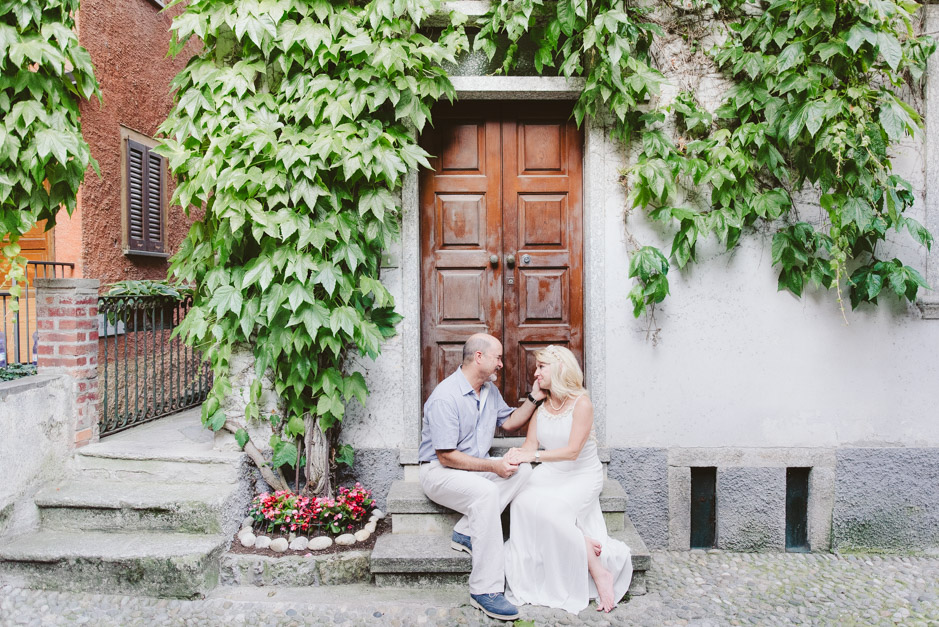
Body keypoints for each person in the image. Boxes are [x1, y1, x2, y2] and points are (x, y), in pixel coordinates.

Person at [418, 333, 545, 621]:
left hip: (475, 466)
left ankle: (465, 530)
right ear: (479, 357)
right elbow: (446, 456)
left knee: (523, 469)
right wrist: (494, 468)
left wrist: (535, 398)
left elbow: (510, 422)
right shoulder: (445, 397)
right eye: (498, 357)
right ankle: (484, 589)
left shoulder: (488, 391)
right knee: (486, 494)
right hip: (439, 472)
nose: (501, 364)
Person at [503, 345, 632, 614]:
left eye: (541, 367)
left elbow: (572, 452)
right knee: (521, 502)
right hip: (551, 471)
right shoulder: (542, 405)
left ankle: (599, 571)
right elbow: (530, 445)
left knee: (553, 510)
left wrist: (534, 457)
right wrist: (516, 455)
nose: (535, 373)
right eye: (536, 367)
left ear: (560, 368)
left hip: (580, 474)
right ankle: (581, 540)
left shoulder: (581, 403)